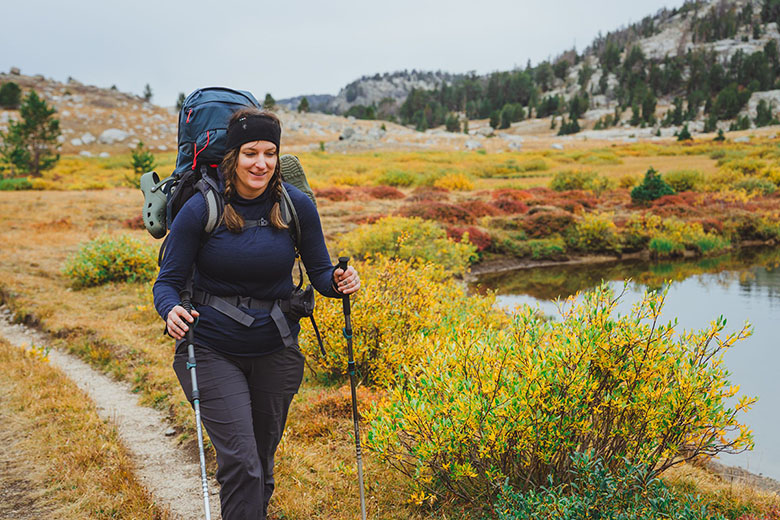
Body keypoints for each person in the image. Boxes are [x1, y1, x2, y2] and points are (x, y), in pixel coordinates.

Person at [153, 108, 360, 520]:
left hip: (276, 350)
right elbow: (167, 282)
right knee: (243, 465)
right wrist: (171, 309)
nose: (260, 163)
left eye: (269, 152)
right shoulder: (201, 208)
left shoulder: (295, 205)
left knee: (261, 469)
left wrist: (338, 281)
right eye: (250, 153)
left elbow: (319, 272)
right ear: (233, 155)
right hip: (211, 349)